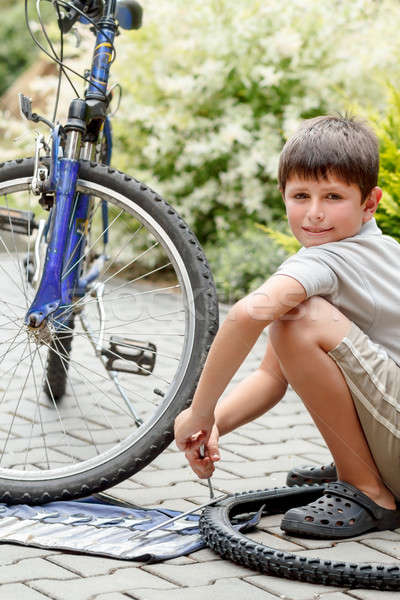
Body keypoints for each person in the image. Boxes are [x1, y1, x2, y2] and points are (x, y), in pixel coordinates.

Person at [174, 115, 400, 539]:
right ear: (282, 196)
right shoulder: (375, 248)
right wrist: (215, 425)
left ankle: (367, 488)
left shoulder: (329, 260)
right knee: (295, 319)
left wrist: (199, 409)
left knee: (294, 321)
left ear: (369, 202)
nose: (314, 214)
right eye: (301, 195)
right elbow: (270, 378)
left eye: (333, 196)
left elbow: (247, 314)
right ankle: (365, 464)